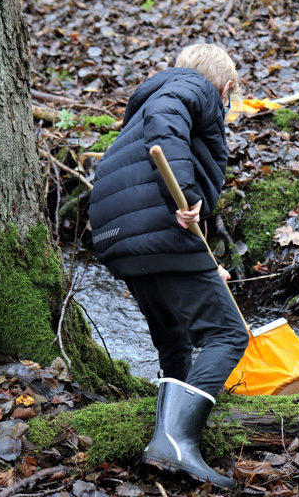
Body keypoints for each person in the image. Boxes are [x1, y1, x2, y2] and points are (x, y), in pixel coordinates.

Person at [88, 43, 248, 489]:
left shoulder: (149, 101)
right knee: (228, 334)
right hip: (159, 228)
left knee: (176, 343)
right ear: (227, 87)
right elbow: (167, 127)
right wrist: (187, 193)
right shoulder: (189, 89)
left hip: (120, 240)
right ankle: (176, 443)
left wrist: (204, 262)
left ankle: (166, 445)